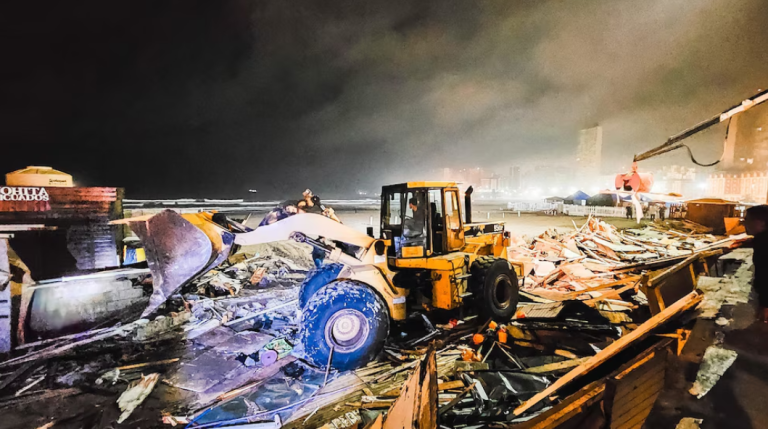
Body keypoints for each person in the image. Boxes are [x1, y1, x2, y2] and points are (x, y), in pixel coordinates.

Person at [745, 205, 768, 322]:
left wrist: (765, 304)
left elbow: (765, 274)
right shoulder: (761, 239)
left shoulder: (764, 244)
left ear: (762, 223)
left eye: (748, 220)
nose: (745, 224)